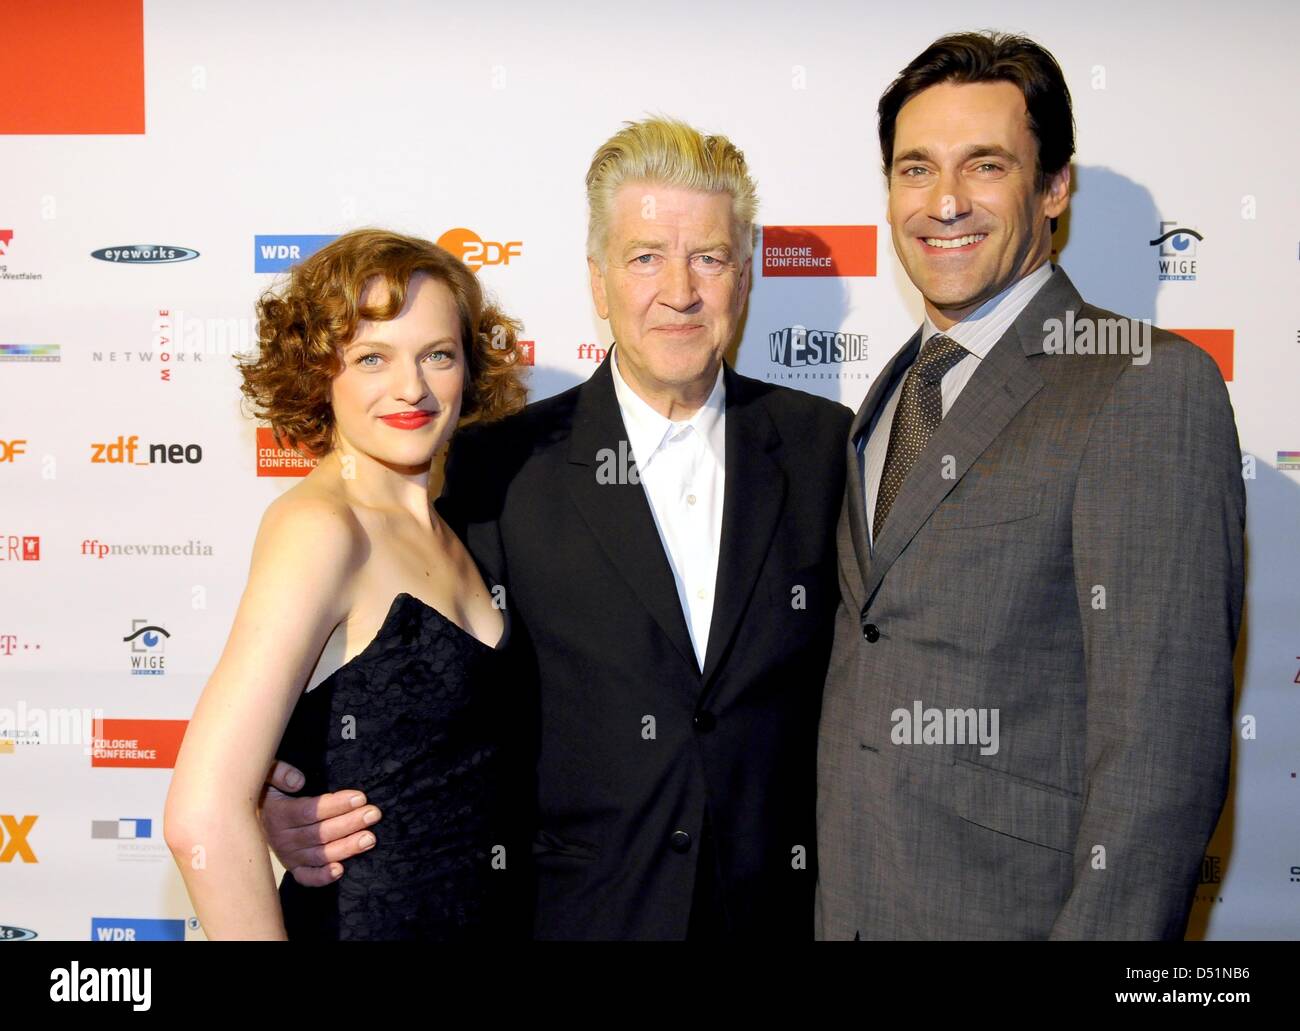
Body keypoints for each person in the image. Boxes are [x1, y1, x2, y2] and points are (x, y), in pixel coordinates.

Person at [261, 117, 853, 939]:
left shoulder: (830, 448)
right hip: (564, 919)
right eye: (646, 256)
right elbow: (410, 684)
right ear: (597, 280)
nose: (679, 290)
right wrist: (282, 793)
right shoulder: (494, 470)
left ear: (744, 276)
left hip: (773, 917)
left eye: (708, 258)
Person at [816, 31, 1246, 940]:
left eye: (985, 166)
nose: (944, 202)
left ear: (1053, 189)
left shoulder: (1142, 384)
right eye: (915, 169)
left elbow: (1159, 765)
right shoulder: (887, 395)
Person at [164, 228, 527, 940]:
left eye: (438, 355)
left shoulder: (456, 528)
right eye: (372, 358)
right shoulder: (321, 528)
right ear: (317, 371)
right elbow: (201, 814)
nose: (412, 388)